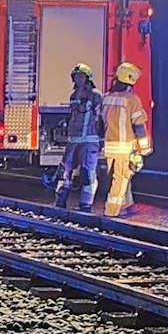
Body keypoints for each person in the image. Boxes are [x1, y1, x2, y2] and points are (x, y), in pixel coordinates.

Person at [101, 61, 152, 217]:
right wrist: (145, 148)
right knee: (121, 179)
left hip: (109, 146)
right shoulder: (132, 99)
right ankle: (112, 210)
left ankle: (127, 204)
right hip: (124, 147)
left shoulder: (107, 98)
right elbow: (139, 127)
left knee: (120, 178)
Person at [54, 63, 104, 211]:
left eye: (81, 76)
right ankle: (60, 201)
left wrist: (102, 138)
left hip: (89, 140)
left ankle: (85, 204)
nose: (78, 79)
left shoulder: (96, 95)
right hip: (73, 141)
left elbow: (100, 118)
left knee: (87, 173)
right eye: (76, 77)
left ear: (88, 78)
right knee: (65, 172)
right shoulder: (73, 95)